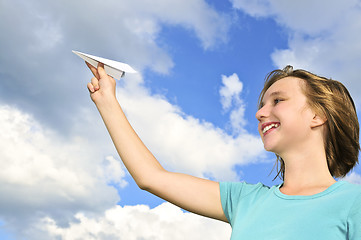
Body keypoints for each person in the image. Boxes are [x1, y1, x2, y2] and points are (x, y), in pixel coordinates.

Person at [86, 62, 361, 239]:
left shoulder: (353, 203)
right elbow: (151, 177)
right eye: (262, 105)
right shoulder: (244, 200)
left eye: (277, 100)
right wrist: (106, 100)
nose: (260, 113)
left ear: (318, 116)